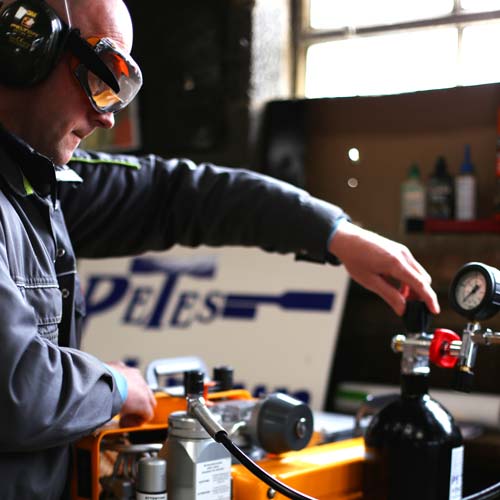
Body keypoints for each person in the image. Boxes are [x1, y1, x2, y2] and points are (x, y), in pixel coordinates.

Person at [0, 0, 440, 498]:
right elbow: (17, 388)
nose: (105, 116)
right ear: (27, 45)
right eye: (101, 79)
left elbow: (180, 195)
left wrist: (334, 234)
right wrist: (117, 386)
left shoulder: (38, 184)